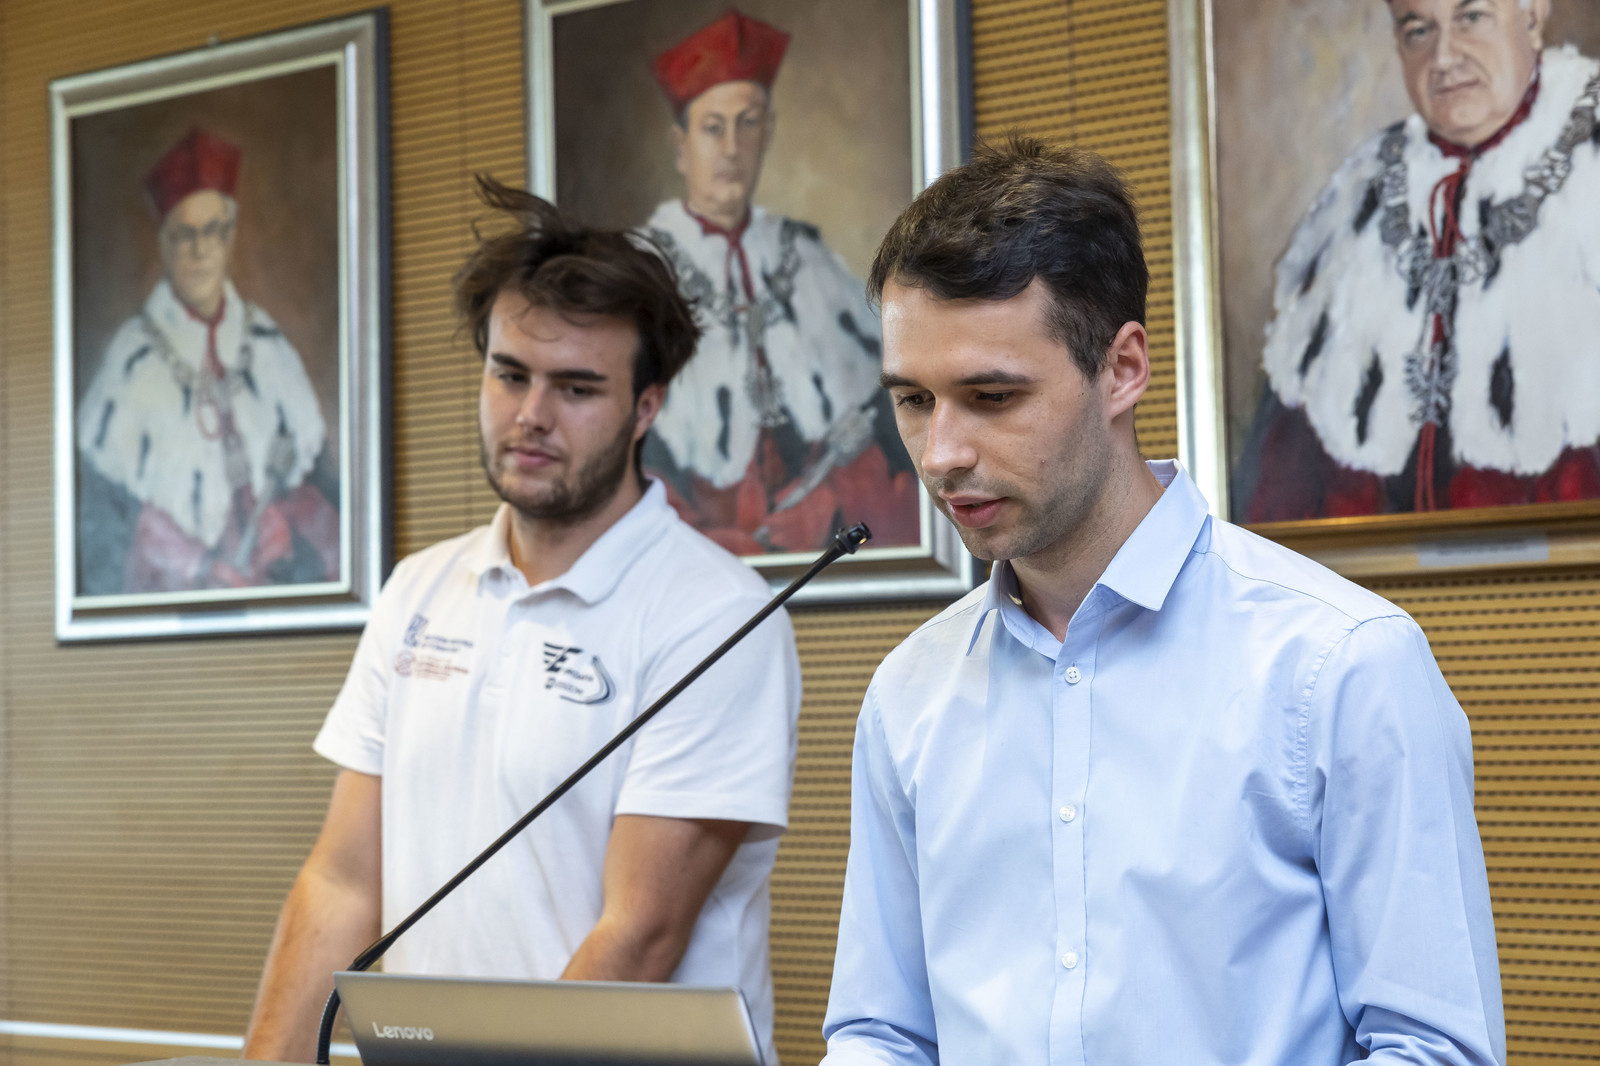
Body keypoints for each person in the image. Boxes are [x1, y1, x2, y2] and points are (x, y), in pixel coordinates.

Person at [821, 137, 1504, 1064]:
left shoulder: (1341, 665)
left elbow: (1434, 1049)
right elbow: (885, 1031)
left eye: (991, 395)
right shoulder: (909, 692)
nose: (941, 453)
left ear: (1122, 369)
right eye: (912, 400)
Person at [242, 179, 801, 1065]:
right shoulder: (419, 590)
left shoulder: (716, 616)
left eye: (576, 388)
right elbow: (344, 881)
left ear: (645, 407)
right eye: (510, 375)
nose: (532, 416)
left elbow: (639, 936)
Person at [1238, 0, 1600, 521]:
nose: (1444, 57)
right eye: (1418, 31)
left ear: (1534, 16)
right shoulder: (1361, 193)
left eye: (1471, 18)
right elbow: (1281, 493)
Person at [638, 9, 920, 556]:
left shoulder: (807, 256)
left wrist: (829, 499)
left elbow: (877, 412)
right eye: (713, 128)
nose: (731, 148)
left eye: (747, 124)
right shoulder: (642, 267)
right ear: (680, 145)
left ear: (768, 131)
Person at [75, 126, 339, 593]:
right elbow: (103, 540)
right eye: (184, 234)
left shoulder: (267, 344)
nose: (200, 250)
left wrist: (287, 531)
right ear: (163, 244)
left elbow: (324, 503)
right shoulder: (131, 359)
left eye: (213, 231)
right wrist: (193, 567)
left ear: (230, 238)